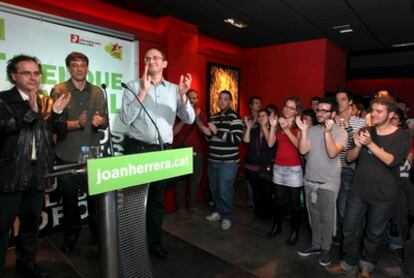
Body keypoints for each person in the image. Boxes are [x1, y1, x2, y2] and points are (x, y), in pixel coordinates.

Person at [120, 47, 195, 259]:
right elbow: (125, 118)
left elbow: (189, 118)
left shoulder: (174, 89)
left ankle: (154, 243)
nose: (151, 61)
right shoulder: (132, 86)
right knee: (134, 202)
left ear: (165, 63)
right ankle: (132, 247)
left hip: (162, 152)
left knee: (156, 201)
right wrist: (143, 91)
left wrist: (183, 96)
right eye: (147, 58)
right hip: (137, 150)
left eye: (155, 58)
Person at [0, 55, 70, 277]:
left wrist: (57, 113)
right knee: (2, 226)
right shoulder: (3, 100)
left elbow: (58, 132)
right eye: (26, 73)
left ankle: (26, 265)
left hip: (37, 171)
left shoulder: (45, 100)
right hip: (10, 173)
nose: (33, 77)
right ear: (14, 76)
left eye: (36, 73)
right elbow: (5, 127)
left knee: (31, 223)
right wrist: (30, 111)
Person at [327, 96, 410, 278]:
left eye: (379, 111)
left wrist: (370, 144)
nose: (374, 114)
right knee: (348, 228)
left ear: (390, 114)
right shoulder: (366, 130)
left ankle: (366, 267)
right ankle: (349, 262)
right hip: (358, 190)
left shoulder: (402, 134)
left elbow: (392, 160)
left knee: (373, 233)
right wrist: (357, 146)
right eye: (373, 110)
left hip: (383, 195)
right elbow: (349, 158)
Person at [51, 52, 108, 253]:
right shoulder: (59, 90)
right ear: (68, 68)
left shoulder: (98, 92)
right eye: (75, 65)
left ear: (88, 67)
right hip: (66, 155)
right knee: (69, 202)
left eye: (83, 64)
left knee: (95, 201)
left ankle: (99, 236)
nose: (79, 68)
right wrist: (77, 123)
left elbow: (106, 121)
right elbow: (54, 125)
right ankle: (71, 238)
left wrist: (99, 122)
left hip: (91, 155)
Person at [296, 98, 347, 267]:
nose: (320, 113)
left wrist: (327, 132)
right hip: (310, 179)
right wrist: (303, 131)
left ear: (333, 113)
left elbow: (332, 153)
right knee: (313, 216)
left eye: (325, 111)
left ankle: (326, 248)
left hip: (328, 182)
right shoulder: (311, 130)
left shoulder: (341, 132)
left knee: (327, 218)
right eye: (319, 110)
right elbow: (303, 150)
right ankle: (316, 245)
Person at [201, 90, 244, 231]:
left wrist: (216, 131)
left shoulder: (235, 118)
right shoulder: (214, 117)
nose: (222, 101)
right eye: (220, 99)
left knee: (225, 190)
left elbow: (236, 139)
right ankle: (219, 212)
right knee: (214, 189)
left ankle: (227, 216)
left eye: (225, 99)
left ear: (230, 101)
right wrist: (208, 134)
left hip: (228, 162)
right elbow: (211, 139)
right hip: (213, 160)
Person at [266, 97, 303, 246]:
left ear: (296, 111)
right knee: (278, 201)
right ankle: (277, 226)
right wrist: (273, 126)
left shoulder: (300, 125)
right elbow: (270, 144)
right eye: (286, 106)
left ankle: (295, 232)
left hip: (294, 169)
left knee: (294, 204)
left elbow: (300, 146)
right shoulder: (279, 123)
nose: (287, 109)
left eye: (291, 108)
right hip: (279, 168)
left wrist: (287, 130)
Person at [333, 89, 365, 244]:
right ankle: (337, 236)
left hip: (348, 169)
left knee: (344, 207)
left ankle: (350, 242)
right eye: (337, 99)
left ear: (350, 102)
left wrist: (347, 127)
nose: (340, 102)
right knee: (331, 206)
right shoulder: (331, 119)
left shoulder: (359, 122)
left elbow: (357, 148)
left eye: (343, 99)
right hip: (330, 168)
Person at [173, 89, 205, 219]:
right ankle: (181, 208)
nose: (193, 100)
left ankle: (192, 205)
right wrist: (185, 119)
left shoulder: (200, 113)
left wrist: (197, 119)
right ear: (185, 98)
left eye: (195, 98)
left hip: (197, 151)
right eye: (190, 97)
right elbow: (173, 133)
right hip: (181, 152)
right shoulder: (177, 112)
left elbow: (206, 133)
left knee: (195, 181)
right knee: (180, 182)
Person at [243, 109, 275, 220]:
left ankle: (267, 216)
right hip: (252, 167)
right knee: (256, 193)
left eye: (264, 115)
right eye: (259, 116)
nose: (261, 118)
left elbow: (270, 144)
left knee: (266, 194)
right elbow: (246, 141)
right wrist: (248, 127)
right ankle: (258, 214)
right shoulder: (254, 130)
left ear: (269, 117)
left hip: (265, 169)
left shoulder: (273, 131)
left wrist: (265, 127)